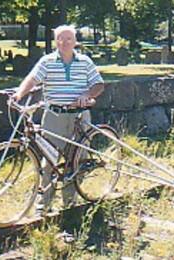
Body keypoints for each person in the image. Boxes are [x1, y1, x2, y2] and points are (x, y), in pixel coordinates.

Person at [13, 25, 104, 215]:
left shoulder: (85, 62)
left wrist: (87, 94)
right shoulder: (46, 62)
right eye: (60, 39)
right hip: (54, 116)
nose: (64, 42)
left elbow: (98, 84)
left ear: (75, 41)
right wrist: (19, 94)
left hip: (80, 115)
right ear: (56, 41)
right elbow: (32, 79)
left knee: (76, 159)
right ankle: (44, 205)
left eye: (68, 39)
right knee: (49, 160)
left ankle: (70, 204)